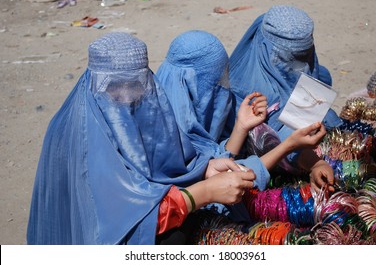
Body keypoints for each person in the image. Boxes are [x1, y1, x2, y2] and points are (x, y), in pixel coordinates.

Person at [26, 32, 258, 245]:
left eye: (135, 85)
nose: (127, 96)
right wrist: (204, 192)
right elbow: (122, 220)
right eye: (115, 87)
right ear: (96, 82)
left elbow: (162, 164)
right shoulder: (83, 135)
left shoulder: (145, 111)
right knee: (178, 234)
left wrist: (203, 169)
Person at [155, 30, 333, 202]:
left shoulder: (225, 103)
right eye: (218, 82)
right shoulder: (163, 139)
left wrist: (240, 127)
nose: (224, 87)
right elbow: (224, 182)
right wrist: (288, 146)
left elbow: (221, 160)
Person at [227, 5, 343, 191]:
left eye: (305, 56)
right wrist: (314, 163)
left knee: (323, 76)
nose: (300, 65)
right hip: (264, 153)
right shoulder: (246, 94)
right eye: (290, 57)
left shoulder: (300, 69)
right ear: (266, 48)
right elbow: (277, 138)